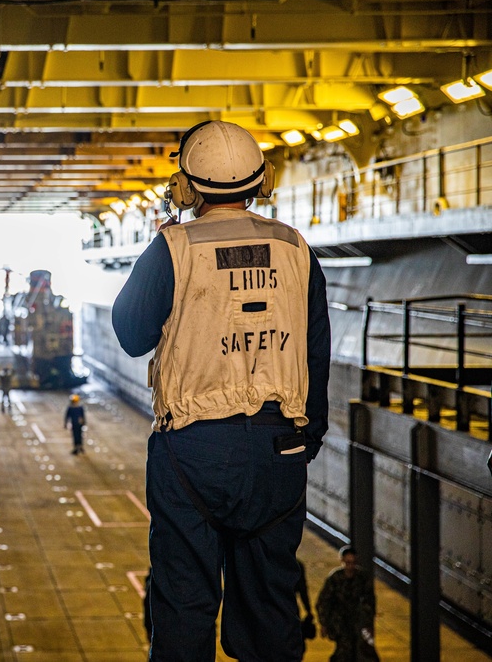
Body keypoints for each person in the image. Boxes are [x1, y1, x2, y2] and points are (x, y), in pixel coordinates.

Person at [111, 120, 331, 661]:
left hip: (193, 451)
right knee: (270, 608)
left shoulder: (172, 247)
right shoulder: (295, 247)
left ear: (186, 188)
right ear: (264, 181)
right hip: (281, 449)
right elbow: (315, 351)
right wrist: (307, 440)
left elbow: (132, 334)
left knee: (184, 605)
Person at [316, 546, 378, 662]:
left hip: (359, 621)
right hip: (340, 621)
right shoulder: (335, 578)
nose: (350, 566)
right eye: (348, 562)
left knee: (366, 651)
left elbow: (370, 601)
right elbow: (323, 601)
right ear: (342, 561)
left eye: (353, 562)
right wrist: (324, 623)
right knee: (344, 651)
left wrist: (369, 624)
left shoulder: (363, 577)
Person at [296, 559, 317, 650]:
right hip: (290, 608)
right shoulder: (297, 564)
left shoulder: (270, 561)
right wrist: (308, 610)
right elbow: (302, 590)